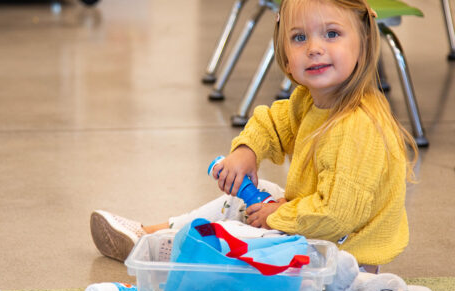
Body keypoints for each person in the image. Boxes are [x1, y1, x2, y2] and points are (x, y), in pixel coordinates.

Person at [90, 0, 418, 270]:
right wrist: (247, 150)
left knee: (238, 233)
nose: (315, 48)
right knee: (249, 198)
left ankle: (171, 249)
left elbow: (338, 215)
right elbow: (274, 123)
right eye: (299, 38)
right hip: (315, 231)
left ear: (363, 42)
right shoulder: (312, 100)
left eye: (332, 34)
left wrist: (279, 214)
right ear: (286, 56)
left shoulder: (358, 127)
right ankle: (151, 234)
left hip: (342, 260)